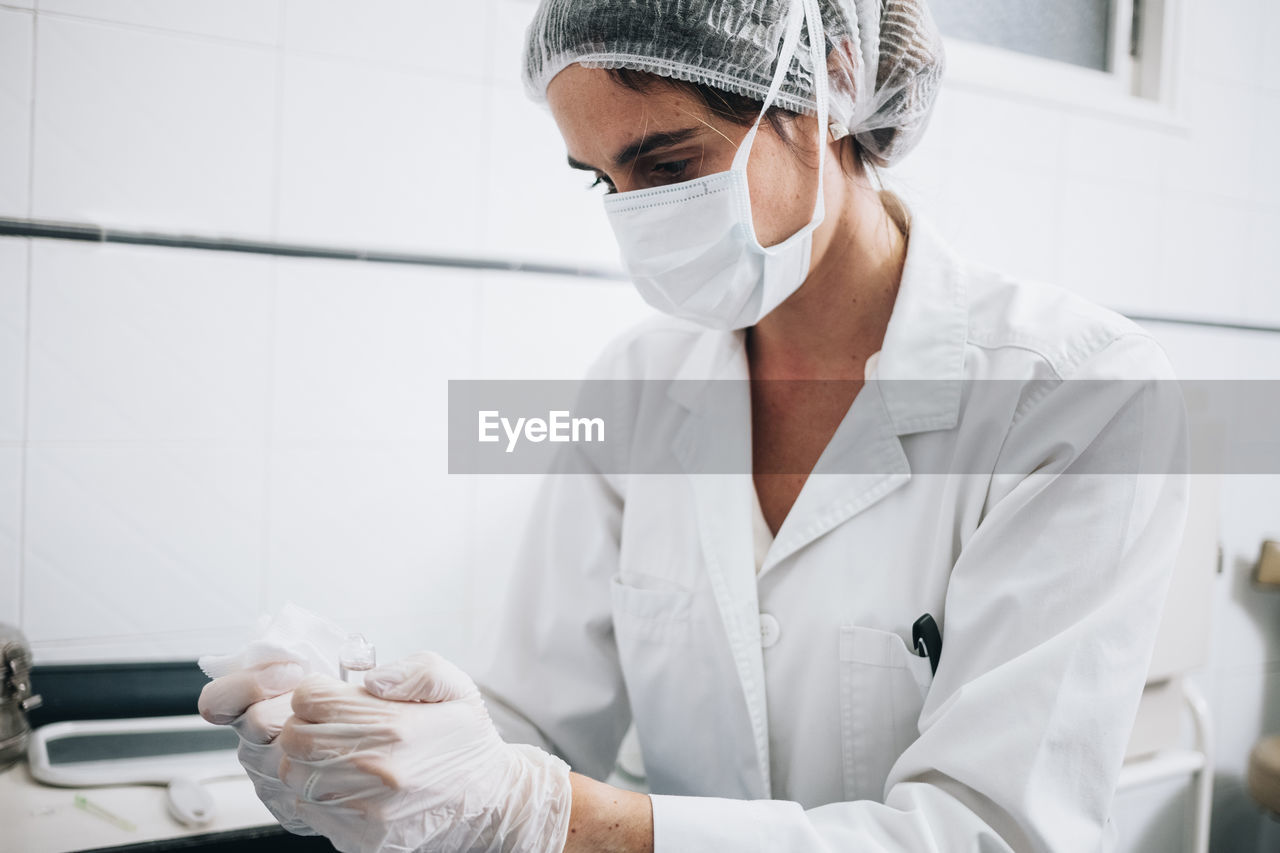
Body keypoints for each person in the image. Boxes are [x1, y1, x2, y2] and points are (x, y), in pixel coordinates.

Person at [198, 0, 1190, 850]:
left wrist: (541, 813)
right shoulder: (636, 385)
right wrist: (376, 728)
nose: (633, 219)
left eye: (666, 161)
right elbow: (536, 727)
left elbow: (984, 832)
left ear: (830, 84)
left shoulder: (1075, 397)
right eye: (601, 181)